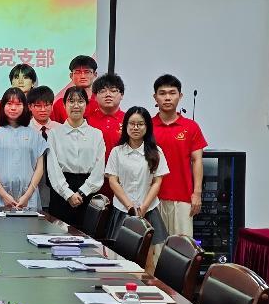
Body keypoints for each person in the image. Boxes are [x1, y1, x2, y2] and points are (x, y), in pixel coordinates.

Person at [151, 74, 207, 237]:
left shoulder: (191, 127)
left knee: (181, 247)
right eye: (162, 93)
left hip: (183, 197)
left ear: (180, 96)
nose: (167, 97)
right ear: (155, 97)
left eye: (172, 93)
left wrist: (197, 193)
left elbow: (197, 160)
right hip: (152, 197)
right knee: (155, 247)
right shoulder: (147, 126)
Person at [106, 106, 170, 246]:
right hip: (122, 209)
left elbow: (157, 182)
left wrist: (144, 207)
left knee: (147, 254)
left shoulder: (156, 152)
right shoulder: (117, 152)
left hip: (148, 210)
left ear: (147, 127)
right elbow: (113, 181)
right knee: (120, 253)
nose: (135, 127)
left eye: (140, 124)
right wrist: (130, 207)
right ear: (126, 126)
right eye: (132, 123)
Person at [45, 86, 105, 229]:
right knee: (58, 237)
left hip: (88, 193)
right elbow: (53, 169)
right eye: (71, 101)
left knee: (86, 237)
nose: (76, 105)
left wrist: (82, 192)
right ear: (64, 105)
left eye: (80, 101)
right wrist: (68, 194)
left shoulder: (96, 134)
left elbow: (99, 170)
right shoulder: (54, 134)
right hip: (61, 193)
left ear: (86, 105)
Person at [0, 88, 47, 210]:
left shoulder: (35, 135)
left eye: (18, 104)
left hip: (28, 198)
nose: (13, 108)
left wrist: (27, 196)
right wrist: (4, 195)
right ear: (3, 106)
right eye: (9, 104)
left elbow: (39, 168)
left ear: (25, 107)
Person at [87, 73, 127, 198]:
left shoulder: (130, 121)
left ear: (122, 95)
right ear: (95, 96)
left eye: (113, 91)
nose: (108, 94)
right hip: (91, 183)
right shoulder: (86, 121)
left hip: (123, 183)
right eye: (102, 91)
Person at [51, 55, 100, 123]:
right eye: (78, 72)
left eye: (87, 72)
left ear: (95, 74)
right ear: (71, 76)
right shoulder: (60, 104)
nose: (82, 76)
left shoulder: (101, 102)